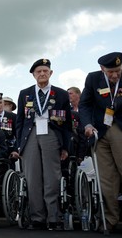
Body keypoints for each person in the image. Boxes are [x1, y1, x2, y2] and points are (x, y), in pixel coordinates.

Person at [16, 59, 72, 230]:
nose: (42, 73)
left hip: (51, 133)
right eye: (38, 71)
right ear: (34, 75)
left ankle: (54, 217)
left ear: (50, 73)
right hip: (31, 134)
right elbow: (19, 121)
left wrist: (65, 147)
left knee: (52, 177)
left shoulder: (61, 94)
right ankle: (37, 217)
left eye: (45, 71)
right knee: (32, 177)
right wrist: (20, 145)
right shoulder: (25, 93)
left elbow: (67, 123)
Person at [79, 52, 122, 232]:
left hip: (119, 129)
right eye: (111, 71)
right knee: (107, 179)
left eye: (118, 71)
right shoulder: (93, 78)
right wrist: (87, 124)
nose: (114, 75)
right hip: (99, 132)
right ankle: (111, 219)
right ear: (102, 69)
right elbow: (85, 104)